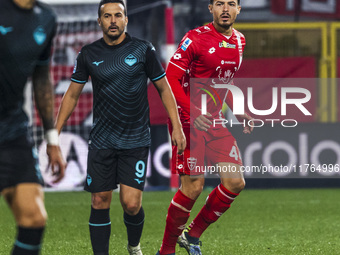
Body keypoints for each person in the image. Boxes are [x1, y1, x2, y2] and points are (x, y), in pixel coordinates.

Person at [55, 1, 186, 254]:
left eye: (118, 15)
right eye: (107, 16)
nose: (113, 20)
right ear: (99, 22)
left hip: (135, 138)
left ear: (126, 20)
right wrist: (55, 133)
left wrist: (176, 126)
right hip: (102, 139)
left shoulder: (143, 49)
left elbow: (163, 88)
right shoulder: (88, 54)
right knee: (99, 200)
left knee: (131, 205)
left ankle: (133, 245)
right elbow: (71, 95)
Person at [157, 0, 253, 254]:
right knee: (193, 186)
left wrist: (238, 109)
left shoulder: (240, 41)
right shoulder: (195, 38)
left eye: (231, 3)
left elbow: (225, 82)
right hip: (188, 119)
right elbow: (171, 78)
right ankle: (166, 250)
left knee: (235, 182)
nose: (225, 8)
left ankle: (192, 235)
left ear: (238, 10)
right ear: (210, 8)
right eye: (219, 3)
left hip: (214, 120)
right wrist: (193, 112)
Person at [0, 0, 66, 254]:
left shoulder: (46, 19)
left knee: (34, 219)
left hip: (12, 129)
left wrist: (52, 140)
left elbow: (41, 77)